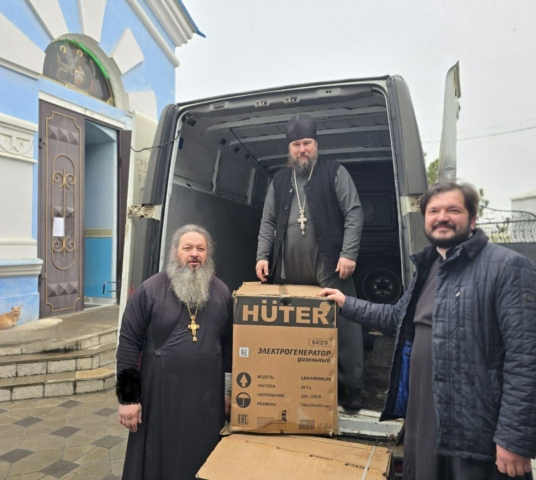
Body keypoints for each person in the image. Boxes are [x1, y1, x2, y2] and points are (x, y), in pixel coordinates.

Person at [320, 181, 536, 479]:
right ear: (425, 219)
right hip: (424, 417)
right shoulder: (429, 268)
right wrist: (346, 303)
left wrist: (514, 439)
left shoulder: (508, 268)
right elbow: (396, 317)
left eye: (453, 210)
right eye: (434, 211)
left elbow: (529, 361)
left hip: (474, 433)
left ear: (472, 219)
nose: (442, 217)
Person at [255, 113, 365, 410]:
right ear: (289, 148)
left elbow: (353, 212)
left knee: (344, 321)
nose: (302, 149)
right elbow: (267, 221)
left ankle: (351, 386)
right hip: (288, 264)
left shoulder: (334, 171)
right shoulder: (279, 179)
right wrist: (262, 256)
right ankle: (293, 380)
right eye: (296, 144)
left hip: (328, 262)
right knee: (290, 323)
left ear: (316, 144)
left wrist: (349, 253)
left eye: (307, 143)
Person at [116, 224, 232, 480]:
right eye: (187, 248)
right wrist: (128, 399)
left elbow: (229, 347)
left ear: (208, 254)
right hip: (159, 398)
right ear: (175, 252)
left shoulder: (222, 292)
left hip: (206, 401)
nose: (194, 254)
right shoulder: (149, 290)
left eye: (201, 249)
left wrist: (227, 391)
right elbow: (128, 344)